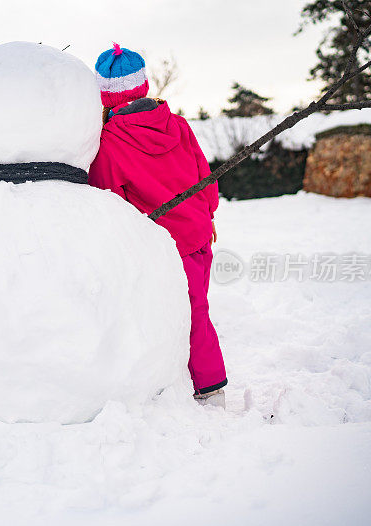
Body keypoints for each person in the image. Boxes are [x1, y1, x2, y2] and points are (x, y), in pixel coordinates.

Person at [88, 43, 227, 408]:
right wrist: (208, 213)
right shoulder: (178, 124)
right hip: (197, 236)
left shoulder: (110, 144)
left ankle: (211, 387)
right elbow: (204, 174)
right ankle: (181, 375)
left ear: (103, 94)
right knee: (194, 308)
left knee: (189, 314)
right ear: (144, 85)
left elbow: (107, 199)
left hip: (163, 247)